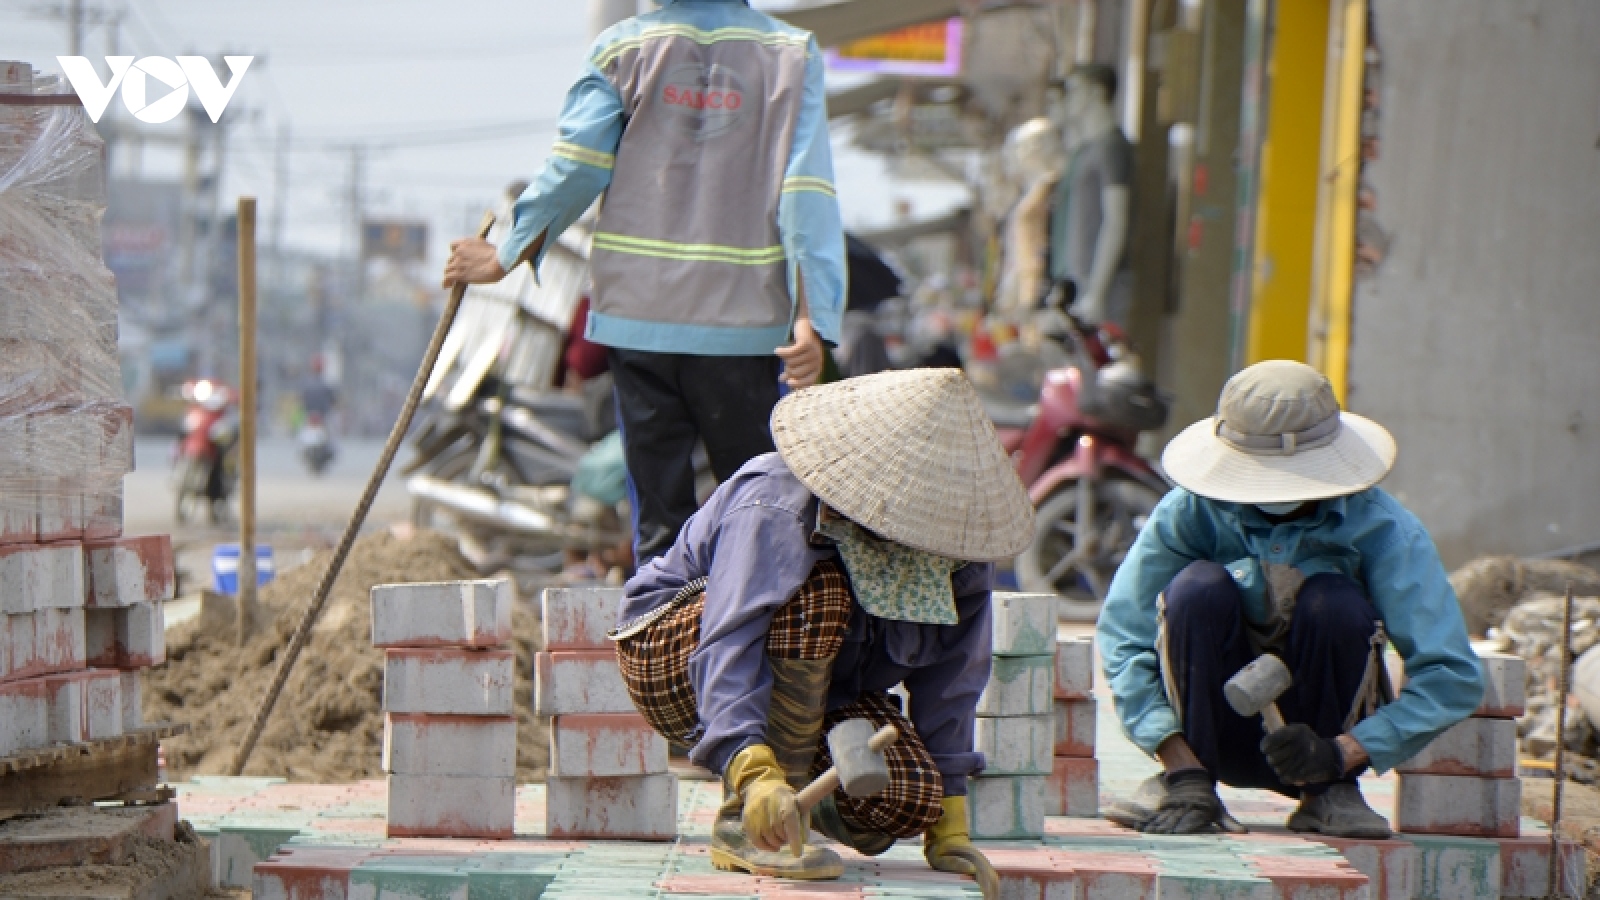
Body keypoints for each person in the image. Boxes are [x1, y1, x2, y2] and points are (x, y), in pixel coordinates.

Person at [442, 0, 846, 564]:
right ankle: (743, 647)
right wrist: (812, 317)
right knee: (758, 520)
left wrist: (506, 252)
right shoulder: (790, 55)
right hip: (743, 328)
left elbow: (576, 165)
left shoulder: (621, 50)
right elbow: (808, 192)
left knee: (659, 530)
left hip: (640, 326)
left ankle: (657, 644)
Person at [611, 369, 1034, 895]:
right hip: (678, 658)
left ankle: (799, 802)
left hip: (821, 686)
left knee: (907, 794)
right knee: (818, 595)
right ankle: (749, 822)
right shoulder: (777, 502)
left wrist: (949, 821)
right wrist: (752, 770)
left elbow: (954, 676)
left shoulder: (958, 540)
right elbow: (729, 641)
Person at [1097, 360, 1486, 837]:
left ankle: (1328, 793)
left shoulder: (1383, 529)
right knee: (1197, 588)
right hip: (1207, 734)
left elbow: (1452, 674)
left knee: (1334, 601)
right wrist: (1175, 755)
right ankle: (1187, 783)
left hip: (1322, 742)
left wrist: (1344, 751)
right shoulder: (1191, 511)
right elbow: (1123, 633)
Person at [1049, 64, 1133, 329]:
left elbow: (1116, 219)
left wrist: (1098, 291)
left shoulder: (1112, 147)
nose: (1070, 99)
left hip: (1105, 285)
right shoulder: (1087, 150)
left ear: (1097, 92)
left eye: (1076, 91)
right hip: (1081, 280)